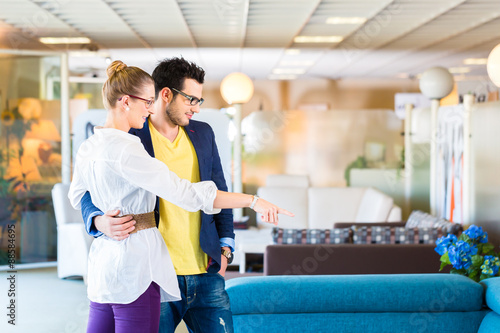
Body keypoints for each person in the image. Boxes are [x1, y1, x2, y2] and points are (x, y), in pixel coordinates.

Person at [69, 60, 292, 333]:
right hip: (154, 268)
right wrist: (98, 221)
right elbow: (184, 193)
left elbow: (217, 184)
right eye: (191, 99)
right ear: (165, 95)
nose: (197, 108)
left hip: (199, 269)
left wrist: (226, 246)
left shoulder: (200, 134)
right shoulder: (131, 140)